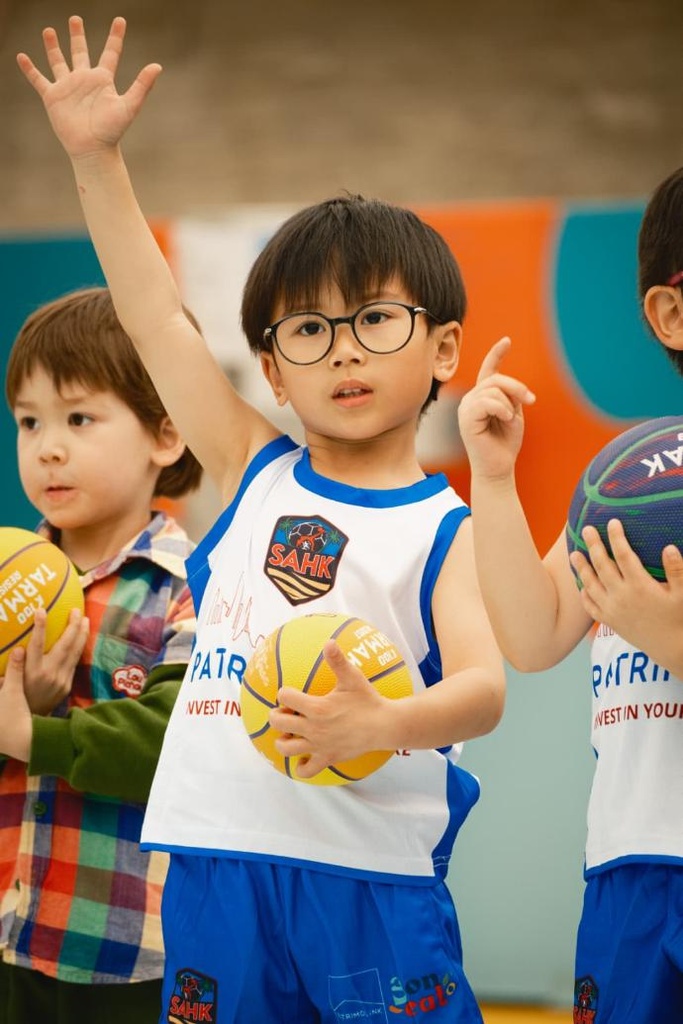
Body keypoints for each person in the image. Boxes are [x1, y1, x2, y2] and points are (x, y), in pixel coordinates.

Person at [16, 15, 507, 1024]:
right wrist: (97, 161)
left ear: (443, 349)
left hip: (368, 882)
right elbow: (154, 315)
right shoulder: (252, 469)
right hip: (215, 868)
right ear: (273, 370)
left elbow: (482, 691)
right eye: (309, 330)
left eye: (375, 319)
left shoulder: (446, 528)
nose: (343, 349)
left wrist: (383, 724)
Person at [457, 167, 683, 1021]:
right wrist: (493, 479)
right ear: (669, 313)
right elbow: (533, 633)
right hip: (628, 867)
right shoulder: (629, 479)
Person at [0, 286, 203, 1024]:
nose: (47, 447)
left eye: (78, 418)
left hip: (126, 958)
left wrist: (37, 733)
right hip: (7, 942)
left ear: (165, 434)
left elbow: (179, 743)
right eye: (29, 421)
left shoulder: (190, 586)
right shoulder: (7, 583)